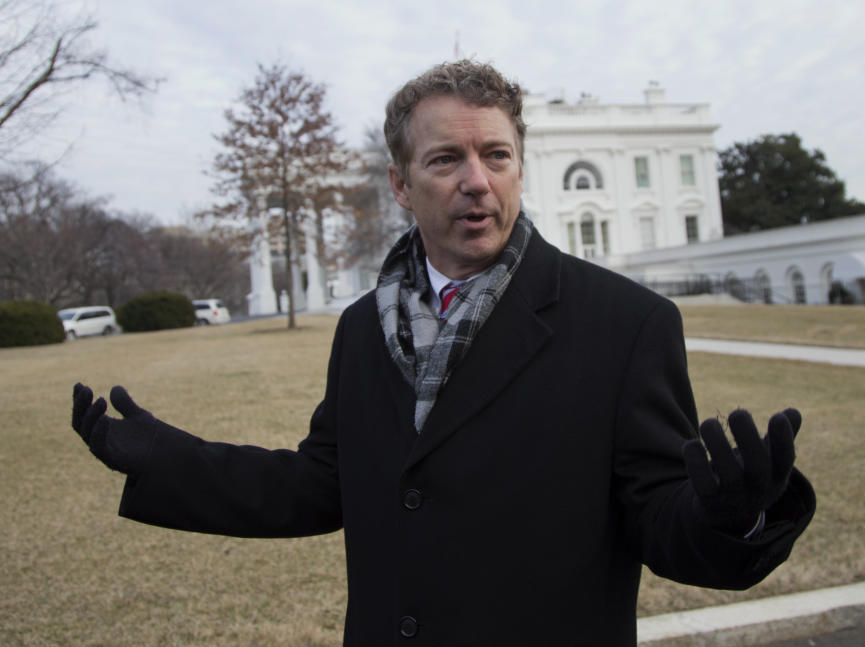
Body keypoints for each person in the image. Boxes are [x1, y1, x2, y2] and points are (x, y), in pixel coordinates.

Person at [72, 60, 815, 646]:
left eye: (496, 154)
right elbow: (322, 484)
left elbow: (660, 520)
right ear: (400, 183)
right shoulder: (362, 327)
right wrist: (167, 459)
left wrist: (730, 518)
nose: (476, 181)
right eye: (445, 159)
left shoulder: (626, 323)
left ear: (520, 166)